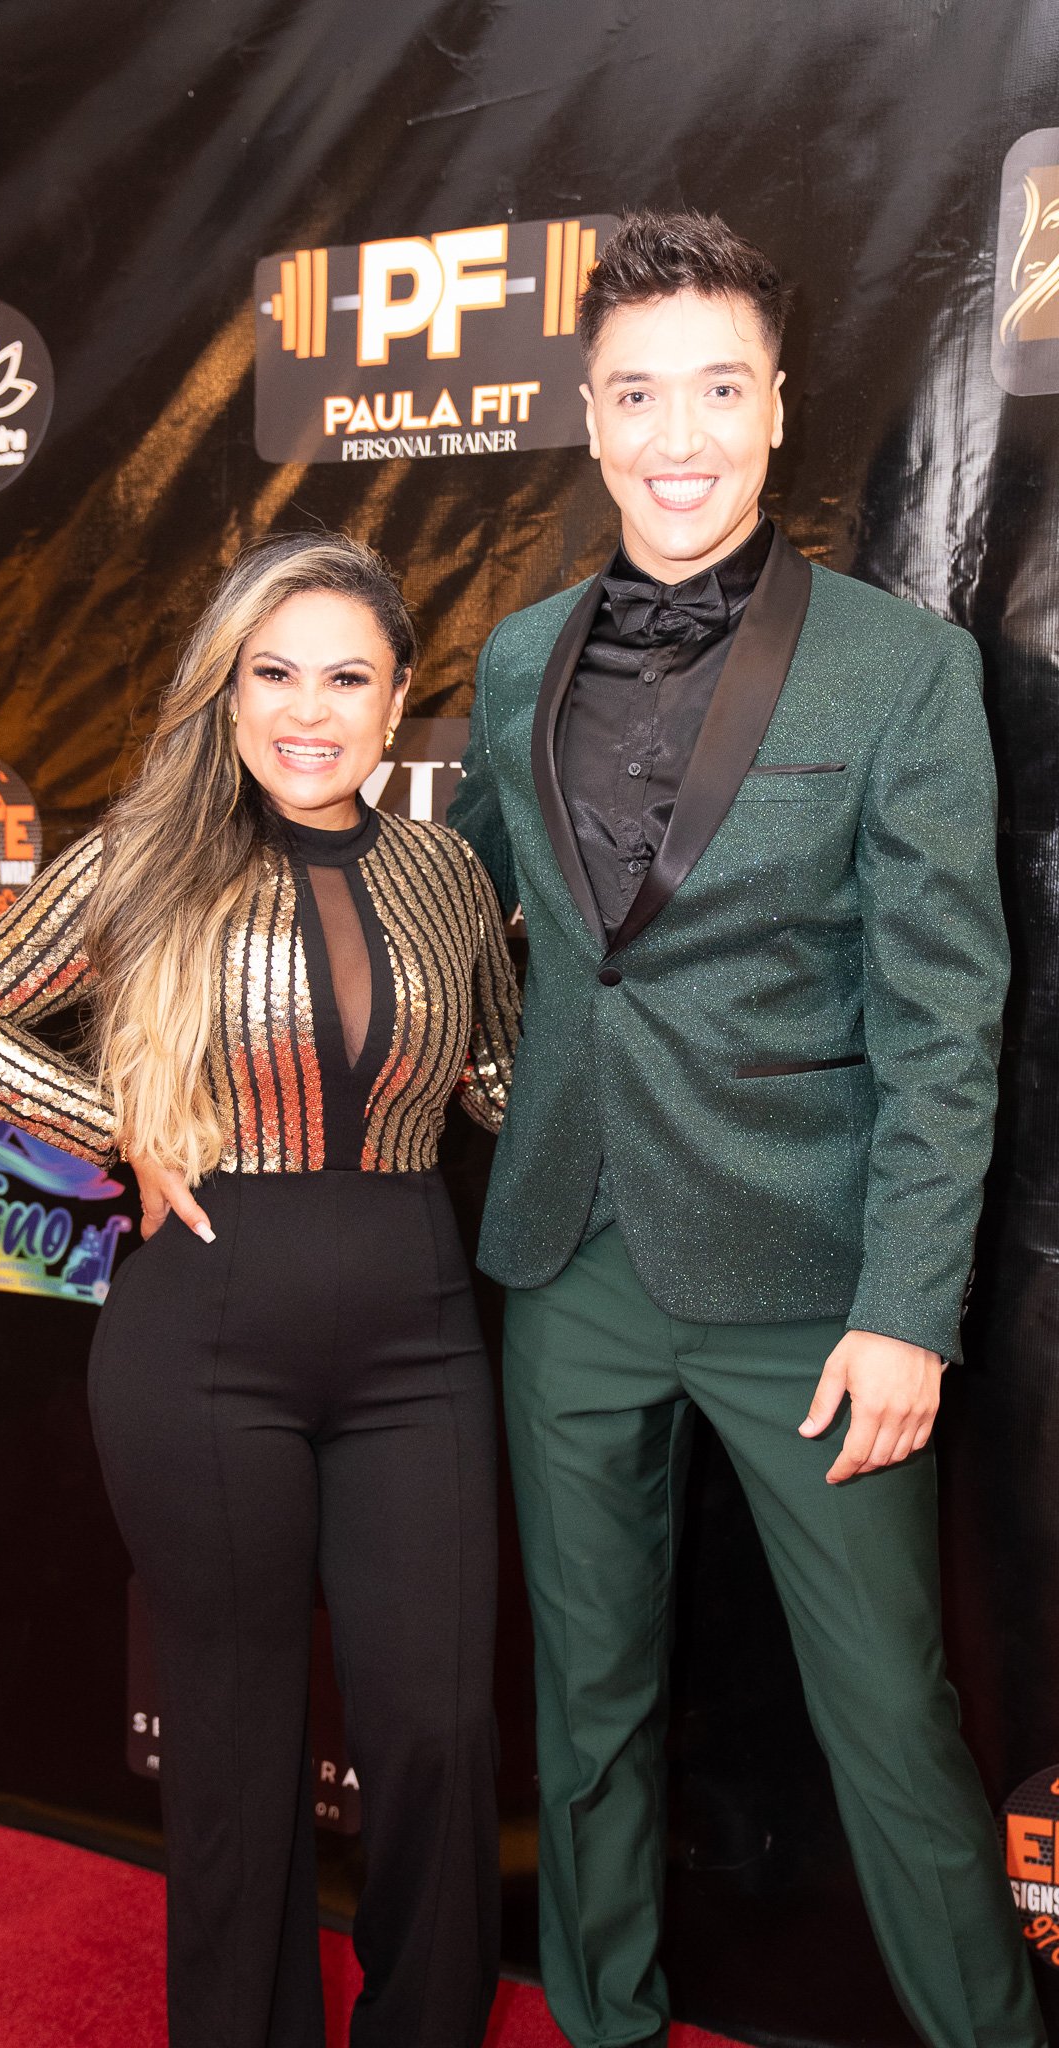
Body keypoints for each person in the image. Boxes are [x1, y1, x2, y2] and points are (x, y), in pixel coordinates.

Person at [448, 210, 1046, 2048]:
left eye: (718, 389)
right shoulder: (515, 657)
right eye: (638, 394)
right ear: (591, 416)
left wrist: (908, 1310)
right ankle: (605, 2019)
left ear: (777, 406)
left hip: (811, 1292)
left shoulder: (899, 665)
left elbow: (945, 1021)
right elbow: (450, 916)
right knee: (587, 1709)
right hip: (567, 1259)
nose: (678, 435)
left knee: (891, 1721)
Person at [0, 533, 520, 2048]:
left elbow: (501, 1087)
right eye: (275, 673)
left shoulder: (449, 875)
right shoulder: (148, 856)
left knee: (440, 1728)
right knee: (237, 1747)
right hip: (204, 1344)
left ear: (398, 706)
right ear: (229, 690)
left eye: (347, 679)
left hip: (419, 1342)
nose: (309, 711)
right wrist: (120, 1124)